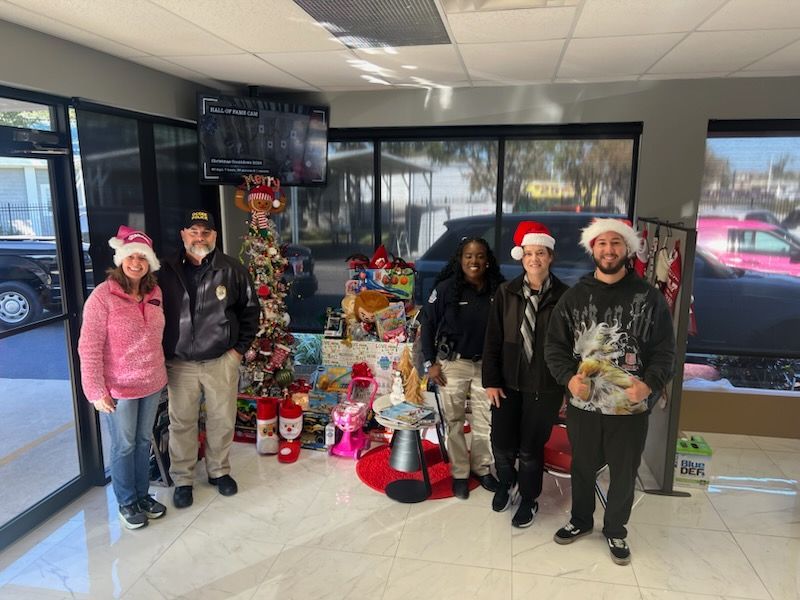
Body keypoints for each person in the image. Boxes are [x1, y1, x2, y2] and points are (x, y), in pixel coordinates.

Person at [545, 218, 676, 566]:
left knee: (623, 471)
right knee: (583, 467)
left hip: (630, 408)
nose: (609, 250)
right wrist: (568, 379)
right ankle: (581, 520)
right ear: (592, 249)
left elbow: (665, 350)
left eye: (616, 243)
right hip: (583, 405)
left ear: (628, 249)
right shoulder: (574, 298)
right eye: (602, 243)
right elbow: (554, 347)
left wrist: (649, 384)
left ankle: (616, 528)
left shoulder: (650, 298)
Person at [159, 209, 259, 508]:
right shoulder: (164, 270)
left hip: (220, 361)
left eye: (206, 232)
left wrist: (237, 351)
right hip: (180, 364)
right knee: (182, 423)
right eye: (194, 231)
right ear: (183, 235)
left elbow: (251, 311)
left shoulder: (232, 269)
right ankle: (183, 479)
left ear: (214, 235)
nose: (199, 237)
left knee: (221, 419)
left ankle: (218, 471)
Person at [78, 225, 168, 530]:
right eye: (131, 256)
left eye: (143, 258)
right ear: (121, 259)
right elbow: (88, 346)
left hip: (152, 381)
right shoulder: (103, 296)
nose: (136, 262)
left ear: (150, 263)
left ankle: (142, 496)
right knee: (124, 445)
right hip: (119, 387)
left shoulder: (154, 293)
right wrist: (95, 389)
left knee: (143, 442)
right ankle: (127, 501)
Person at [482, 222, 569, 528]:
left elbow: (572, 348)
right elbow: (492, 340)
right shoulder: (506, 293)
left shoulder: (565, 297)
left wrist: (566, 390)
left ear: (550, 257)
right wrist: (491, 381)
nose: (534, 259)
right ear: (521, 257)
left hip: (544, 387)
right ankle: (507, 481)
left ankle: (529, 498)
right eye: (529, 253)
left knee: (531, 449)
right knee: (502, 443)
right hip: (507, 384)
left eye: (541, 253)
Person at [419, 237, 505, 499]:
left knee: (485, 421)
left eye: (479, 256)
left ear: (487, 259)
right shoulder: (445, 289)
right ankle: (459, 473)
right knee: (454, 421)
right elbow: (427, 327)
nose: (474, 261)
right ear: (460, 259)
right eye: (468, 256)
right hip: (451, 366)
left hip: (486, 367)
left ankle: (481, 468)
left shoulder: (498, 290)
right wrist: (430, 363)